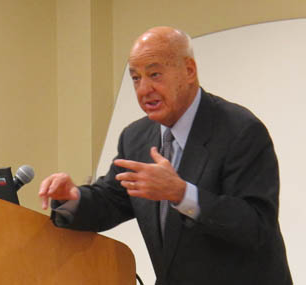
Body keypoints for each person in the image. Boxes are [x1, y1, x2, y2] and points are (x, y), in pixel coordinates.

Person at [38, 26, 292, 284]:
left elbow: (256, 227)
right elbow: (112, 199)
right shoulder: (136, 138)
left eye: (155, 74)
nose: (143, 89)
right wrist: (73, 197)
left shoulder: (240, 131)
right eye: (136, 78)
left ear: (189, 71)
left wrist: (181, 194)